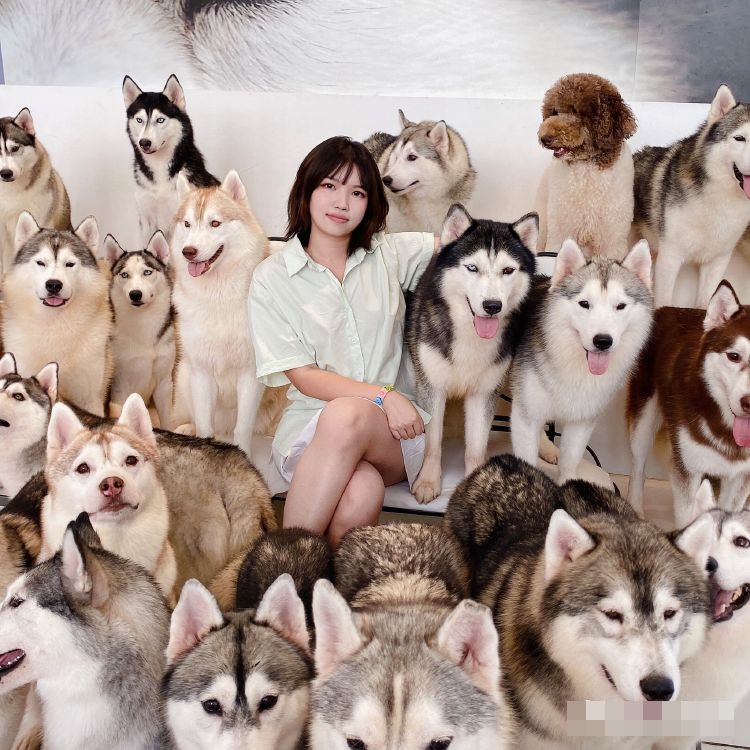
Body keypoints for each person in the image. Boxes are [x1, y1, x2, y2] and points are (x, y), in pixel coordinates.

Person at [249, 135, 436, 545]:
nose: (342, 202)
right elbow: (303, 376)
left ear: (370, 204)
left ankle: (281, 568)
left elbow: (467, 243)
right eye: (329, 186)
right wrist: (383, 395)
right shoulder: (271, 279)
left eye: (358, 193)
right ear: (306, 191)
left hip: (395, 433)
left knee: (346, 414)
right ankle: (325, 583)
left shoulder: (390, 254)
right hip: (310, 432)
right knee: (361, 491)